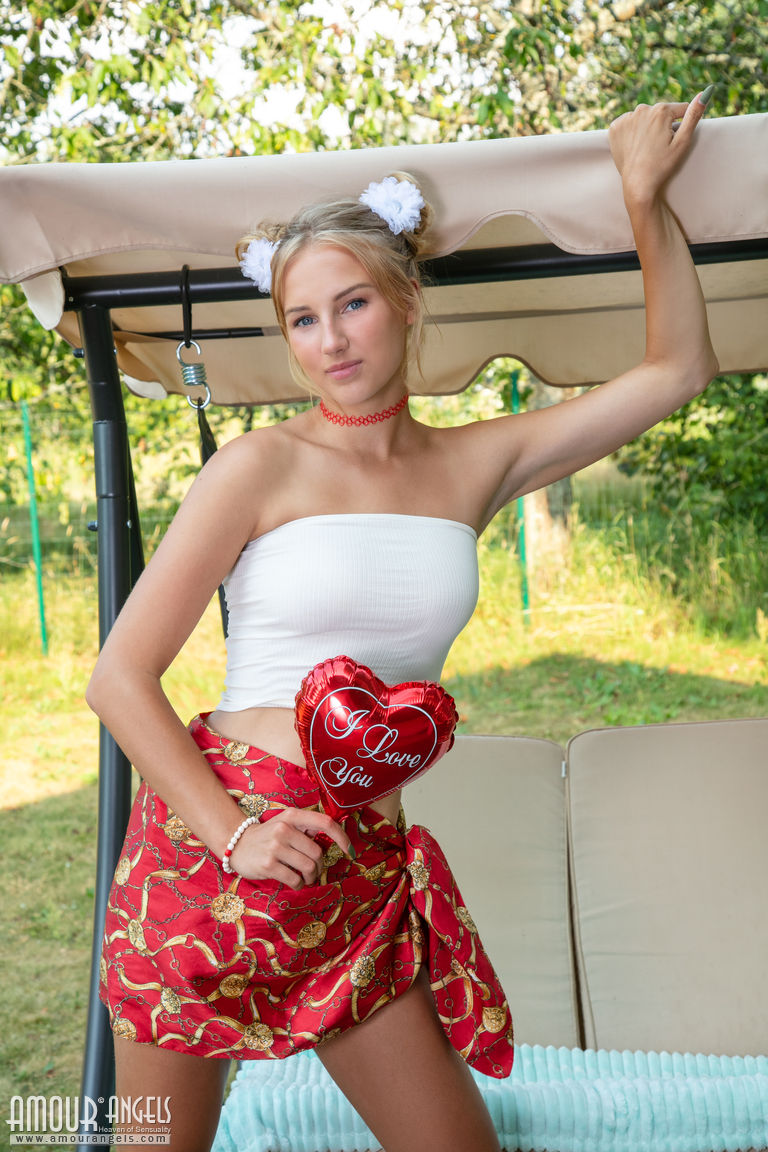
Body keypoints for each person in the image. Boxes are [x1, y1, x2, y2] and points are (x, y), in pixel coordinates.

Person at [87, 90, 718, 1152]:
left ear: (407, 300)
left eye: (353, 305)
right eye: (303, 318)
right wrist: (237, 834)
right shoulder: (257, 468)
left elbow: (676, 370)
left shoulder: (476, 463)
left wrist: (643, 199)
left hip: (359, 873)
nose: (330, 339)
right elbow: (118, 678)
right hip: (212, 854)